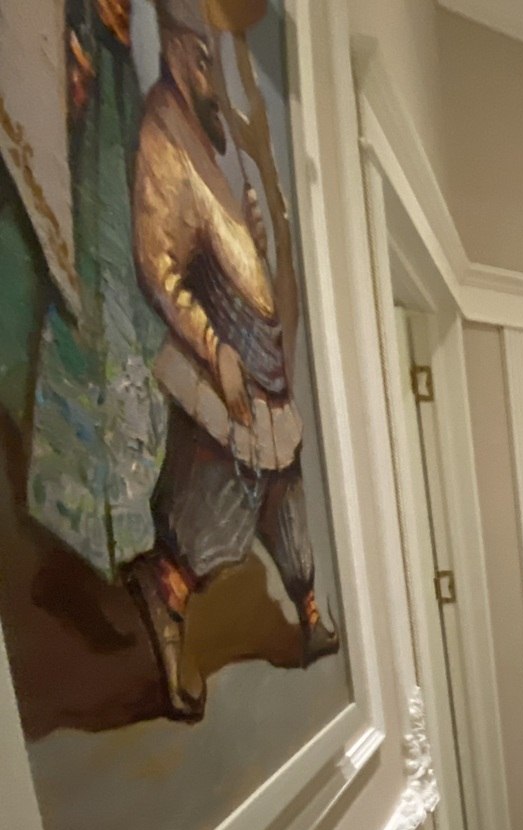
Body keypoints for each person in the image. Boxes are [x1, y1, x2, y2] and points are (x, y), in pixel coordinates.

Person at [126, 0, 337, 721]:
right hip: (226, 369)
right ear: (176, 51)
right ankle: (164, 595)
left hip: (263, 362)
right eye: (203, 60)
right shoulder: (162, 135)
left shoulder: (205, 137)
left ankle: (310, 611)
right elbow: (159, 266)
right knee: (215, 509)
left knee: (287, 501)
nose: (211, 76)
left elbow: (227, 241)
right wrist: (215, 351)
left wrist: (251, 236)